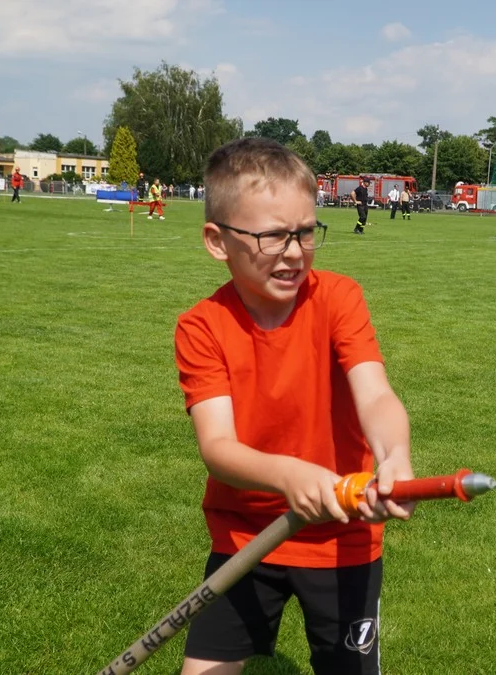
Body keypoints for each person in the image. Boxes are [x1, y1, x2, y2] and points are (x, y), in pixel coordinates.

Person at [174, 137, 415, 675]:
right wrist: (289, 475)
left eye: (306, 232)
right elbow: (217, 448)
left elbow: (374, 392)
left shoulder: (338, 298)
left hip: (342, 539)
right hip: (246, 538)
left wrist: (394, 457)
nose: (293, 252)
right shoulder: (201, 327)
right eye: (272, 236)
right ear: (217, 241)